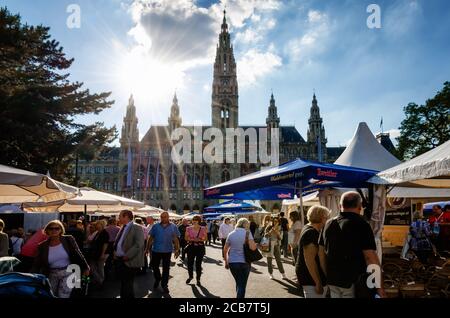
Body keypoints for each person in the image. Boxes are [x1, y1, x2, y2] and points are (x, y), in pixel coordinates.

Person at [318, 191, 386, 298]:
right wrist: (380, 288)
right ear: (360, 207)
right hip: (354, 282)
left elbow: (321, 253)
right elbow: (370, 258)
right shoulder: (362, 224)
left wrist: (328, 274)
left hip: (333, 280)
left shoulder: (328, 224)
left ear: (340, 206)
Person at [32, 220, 89, 298]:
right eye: (51, 228)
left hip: (68, 272)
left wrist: (86, 267)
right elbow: (37, 263)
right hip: (52, 274)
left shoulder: (69, 239)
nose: (54, 230)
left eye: (57, 228)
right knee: (52, 295)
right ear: (47, 230)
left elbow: (78, 253)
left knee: (63, 295)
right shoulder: (42, 246)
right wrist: (32, 275)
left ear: (61, 230)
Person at [296, 205, 330, 298]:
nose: (327, 219)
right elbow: (310, 260)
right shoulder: (311, 233)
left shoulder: (310, 228)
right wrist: (318, 282)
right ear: (322, 218)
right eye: (327, 217)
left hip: (310, 277)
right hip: (311, 279)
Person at [113, 210, 145, 299]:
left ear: (126, 216)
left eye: (120, 216)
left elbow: (139, 244)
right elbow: (119, 242)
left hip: (129, 260)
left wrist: (128, 255)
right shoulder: (123, 227)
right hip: (120, 260)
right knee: (124, 283)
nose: (118, 218)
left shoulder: (137, 227)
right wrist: (115, 251)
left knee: (128, 285)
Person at [223, 218, 257, 298]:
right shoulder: (248, 233)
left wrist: (226, 261)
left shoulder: (231, 234)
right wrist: (255, 245)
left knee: (239, 282)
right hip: (245, 262)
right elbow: (253, 248)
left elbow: (225, 249)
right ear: (245, 225)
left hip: (233, 262)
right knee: (242, 284)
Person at [148, 211, 180, 294]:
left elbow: (175, 239)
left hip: (167, 250)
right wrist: (147, 248)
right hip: (156, 250)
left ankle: (164, 284)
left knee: (166, 268)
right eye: (162, 217)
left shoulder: (173, 226)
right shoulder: (155, 226)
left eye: (165, 216)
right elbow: (151, 237)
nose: (163, 218)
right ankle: (158, 278)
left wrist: (177, 249)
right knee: (154, 266)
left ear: (168, 217)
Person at [185, 215, 207, 285]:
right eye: (193, 219)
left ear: (199, 221)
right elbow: (186, 238)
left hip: (200, 247)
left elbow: (205, 239)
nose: (194, 221)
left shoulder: (203, 228)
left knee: (198, 264)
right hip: (191, 247)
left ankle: (198, 279)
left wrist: (200, 239)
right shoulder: (188, 228)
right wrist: (193, 239)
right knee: (190, 263)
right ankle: (190, 276)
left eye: (196, 219)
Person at [88, 220, 109, 288]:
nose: (97, 225)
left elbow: (105, 244)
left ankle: (100, 281)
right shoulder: (98, 233)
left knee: (100, 268)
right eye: (97, 224)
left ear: (102, 225)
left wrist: (103, 254)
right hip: (95, 253)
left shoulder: (104, 233)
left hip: (100, 253)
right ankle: (100, 281)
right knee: (93, 268)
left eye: (98, 224)